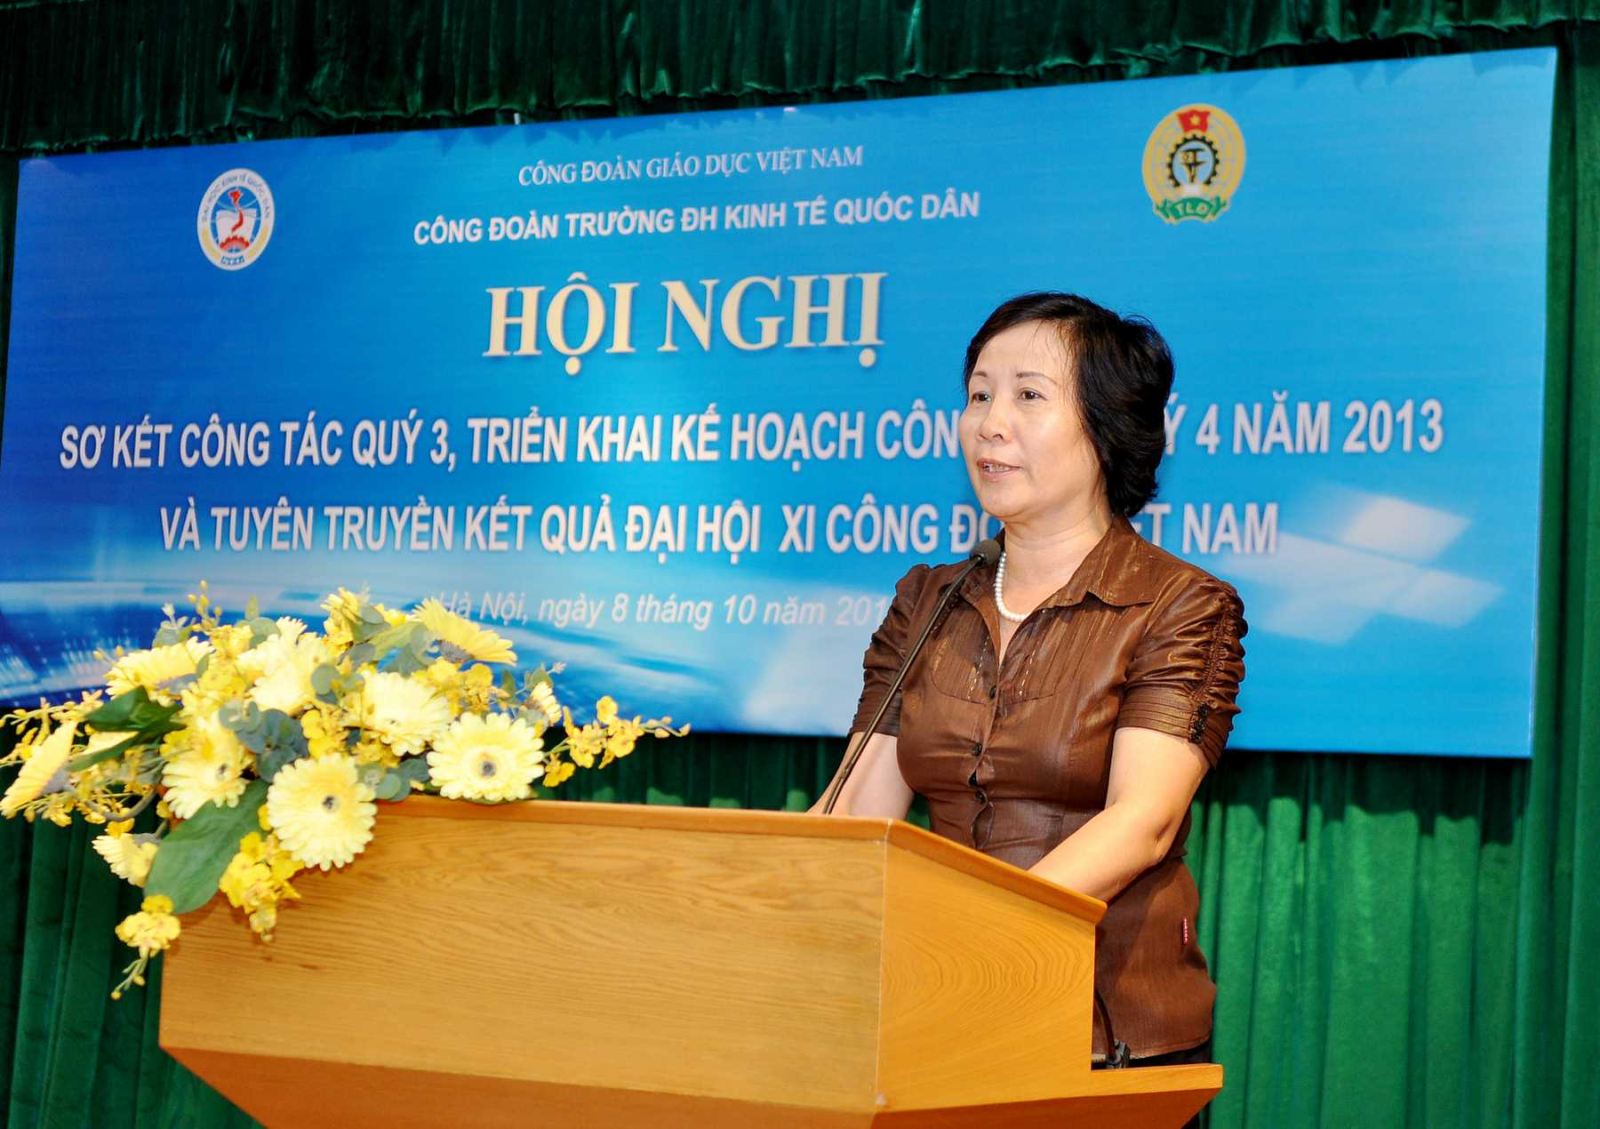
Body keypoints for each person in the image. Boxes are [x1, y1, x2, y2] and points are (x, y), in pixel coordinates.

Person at [811, 291, 1247, 1074]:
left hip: (1103, 1034)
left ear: (1105, 426)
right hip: (937, 1014)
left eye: (1028, 396)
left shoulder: (1181, 604)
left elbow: (1142, 822)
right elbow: (854, 811)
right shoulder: (928, 599)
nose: (991, 422)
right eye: (979, 395)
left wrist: (974, 938)